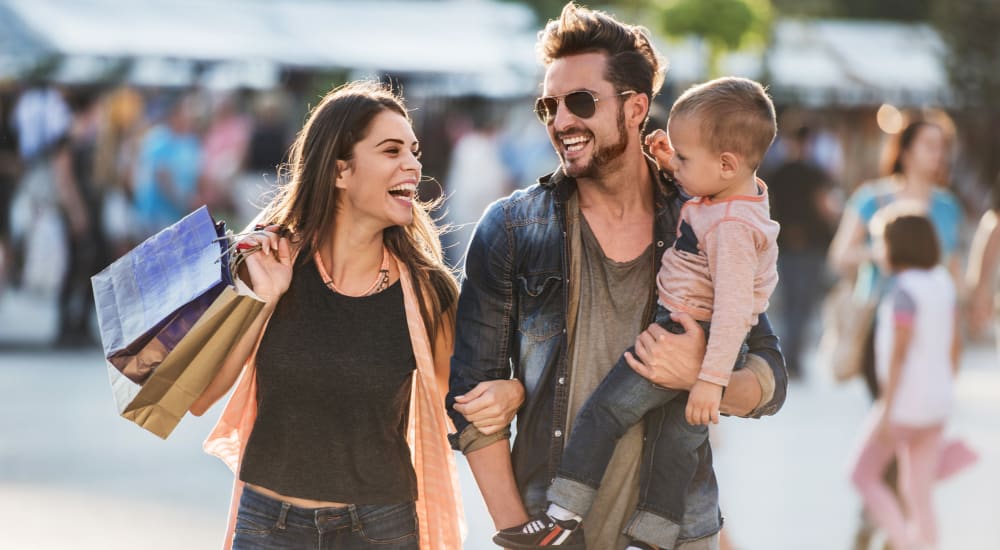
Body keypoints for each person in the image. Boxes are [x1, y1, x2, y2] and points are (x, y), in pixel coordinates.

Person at [446, 4, 787, 549]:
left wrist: (703, 373)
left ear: (636, 108)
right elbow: (471, 407)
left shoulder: (700, 217)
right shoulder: (511, 230)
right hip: (552, 529)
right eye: (548, 106)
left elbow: (768, 376)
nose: (561, 121)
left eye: (580, 102)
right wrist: (520, 533)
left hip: (678, 534)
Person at [189, 81, 468, 550]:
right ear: (340, 171)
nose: (414, 165)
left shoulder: (428, 292)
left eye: (414, 151)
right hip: (268, 528)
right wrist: (267, 297)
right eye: (391, 150)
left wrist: (508, 388)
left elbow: (459, 410)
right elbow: (199, 396)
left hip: (381, 530)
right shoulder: (269, 263)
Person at [827, 119, 963, 550]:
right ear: (904, 149)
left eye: (942, 147)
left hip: (933, 333)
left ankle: (891, 522)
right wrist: (884, 252)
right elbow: (840, 256)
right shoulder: (873, 198)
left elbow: (954, 272)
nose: (937, 155)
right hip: (879, 328)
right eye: (928, 145)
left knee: (901, 425)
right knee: (890, 418)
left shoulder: (947, 207)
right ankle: (893, 519)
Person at [849, 208, 960, 550]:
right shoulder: (943, 283)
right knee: (918, 490)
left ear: (898, 246)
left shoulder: (903, 292)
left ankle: (904, 542)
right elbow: (956, 344)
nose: (879, 251)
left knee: (862, 475)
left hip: (904, 406)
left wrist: (885, 407)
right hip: (937, 404)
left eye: (881, 243)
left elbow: (898, 354)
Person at [765, 124, 838, 378]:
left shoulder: (776, 172)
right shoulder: (814, 172)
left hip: (783, 243)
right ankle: (792, 358)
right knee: (803, 304)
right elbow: (824, 206)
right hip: (812, 243)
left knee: (788, 304)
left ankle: (786, 356)